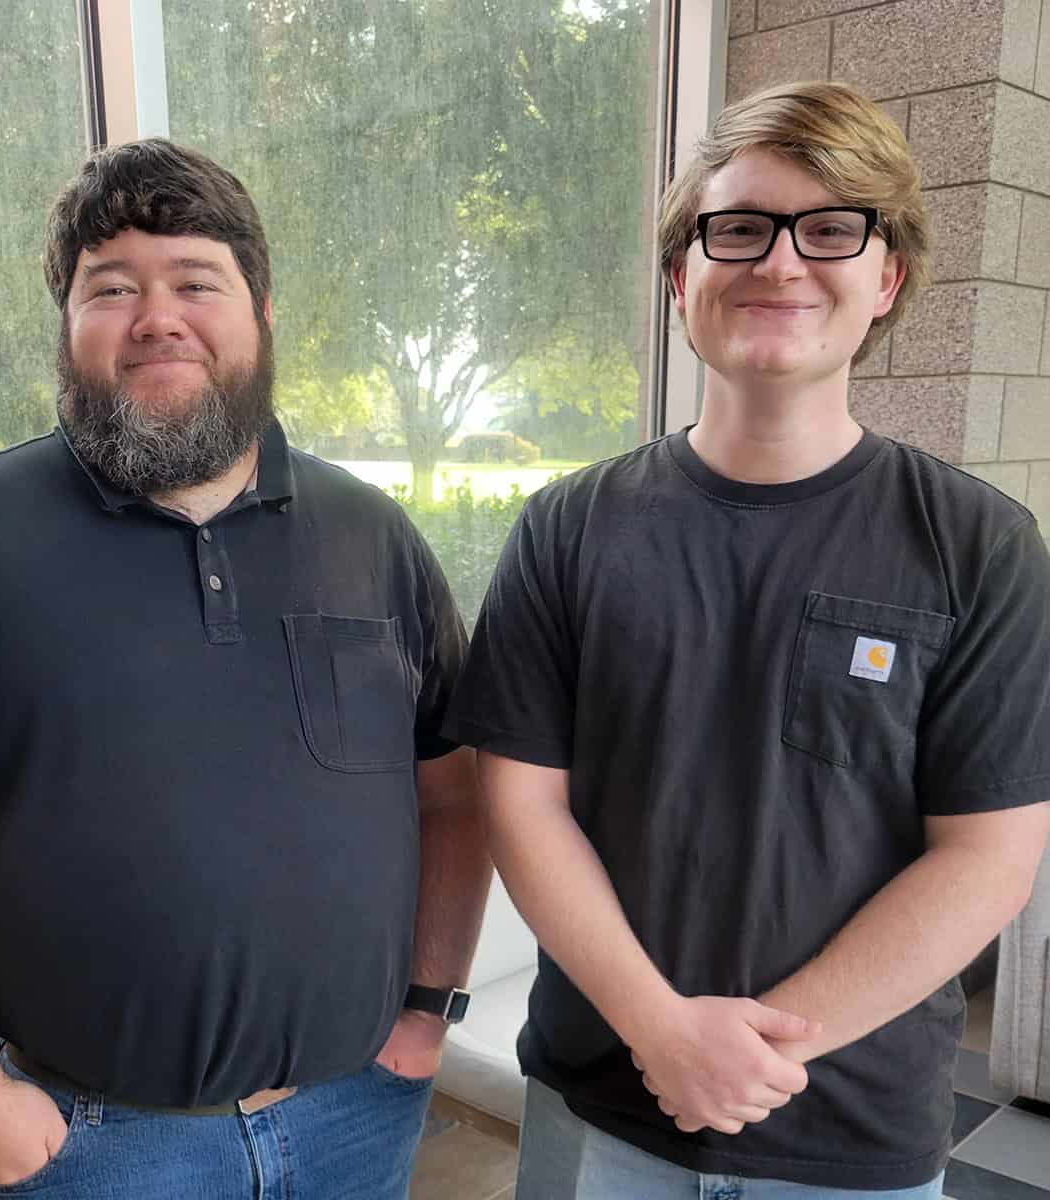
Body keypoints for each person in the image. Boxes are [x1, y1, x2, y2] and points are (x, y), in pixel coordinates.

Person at [0, 138, 491, 1199]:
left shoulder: (373, 537)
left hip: (355, 1116)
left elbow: (453, 796)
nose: (158, 315)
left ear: (263, 312)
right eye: (112, 288)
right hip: (97, 1146)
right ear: (67, 327)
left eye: (198, 279)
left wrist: (429, 1008)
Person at [442, 81, 1050, 1197]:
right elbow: (520, 805)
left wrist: (757, 1055)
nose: (779, 263)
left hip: (850, 1131)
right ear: (683, 277)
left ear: (888, 278)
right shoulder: (570, 528)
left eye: (830, 230)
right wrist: (661, 1029)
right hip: (599, 1101)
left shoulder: (980, 547)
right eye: (739, 229)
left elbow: (989, 856)